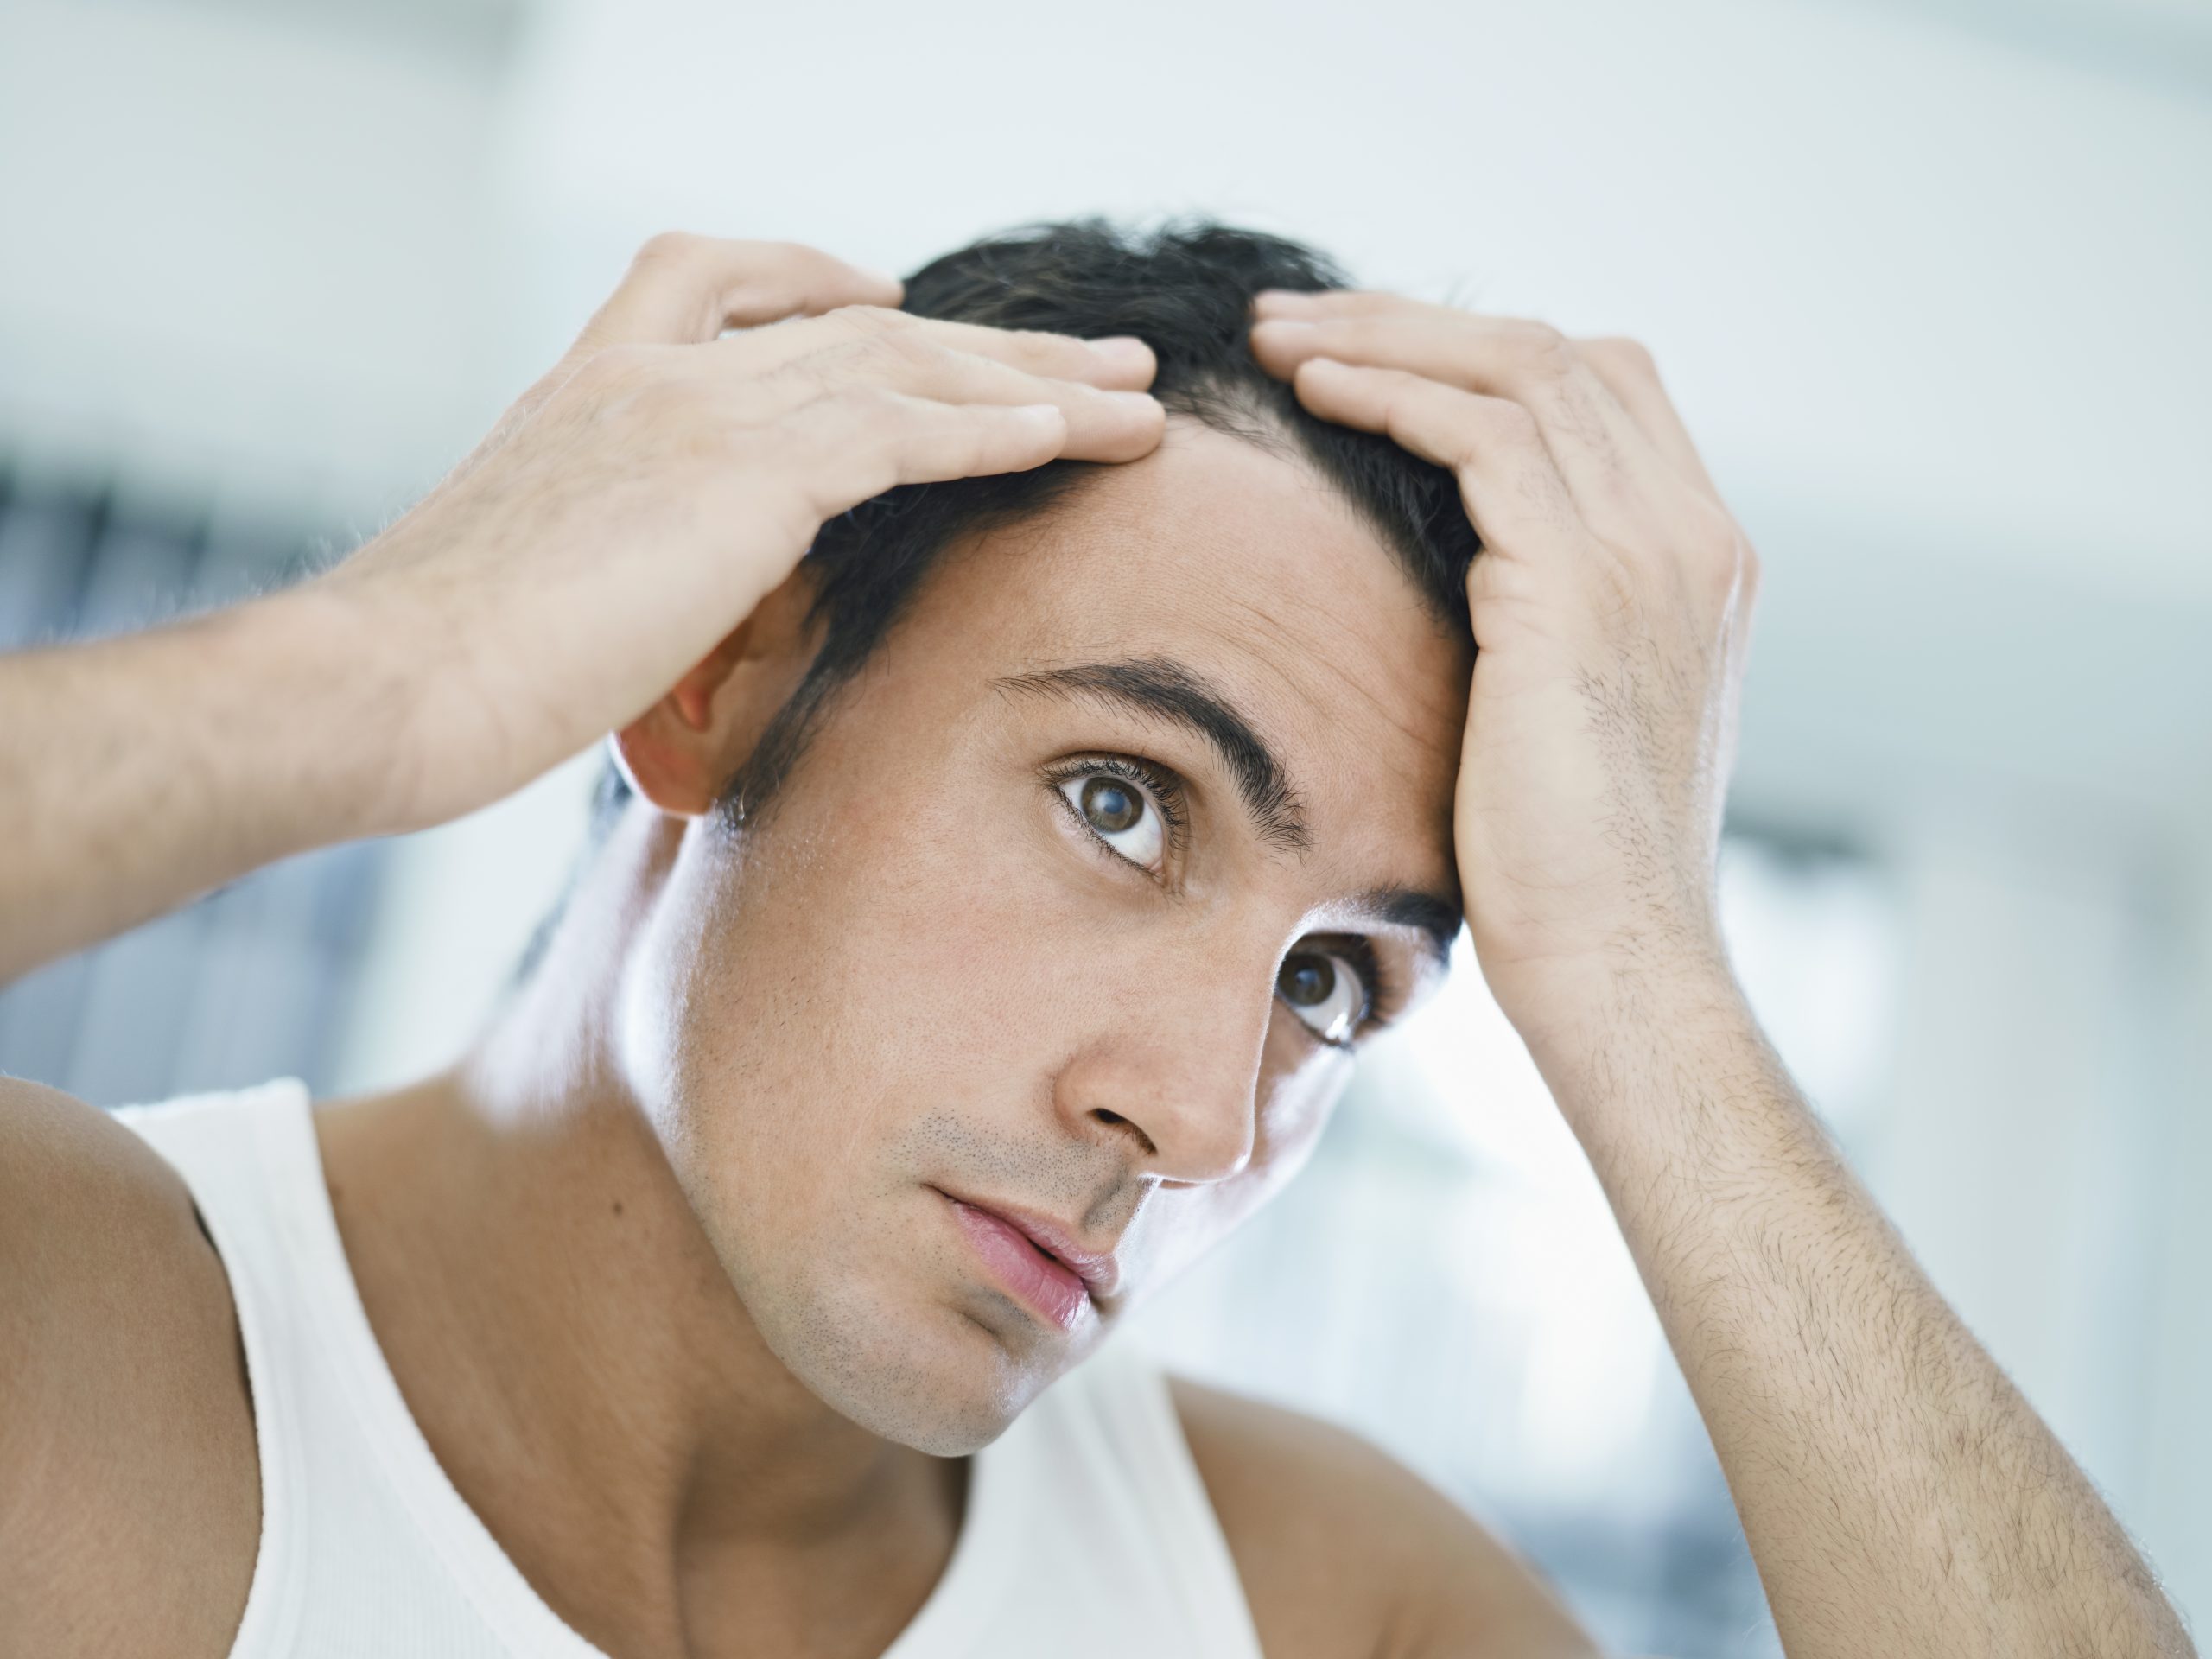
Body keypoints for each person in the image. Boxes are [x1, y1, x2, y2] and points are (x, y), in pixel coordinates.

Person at [0, 219, 2189, 1659]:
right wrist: (391, 673)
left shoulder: (1315, 1611)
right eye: (1122, 802)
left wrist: (1640, 978)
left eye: (1333, 981)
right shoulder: (82, 1350)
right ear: (708, 680)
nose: (1196, 1114)